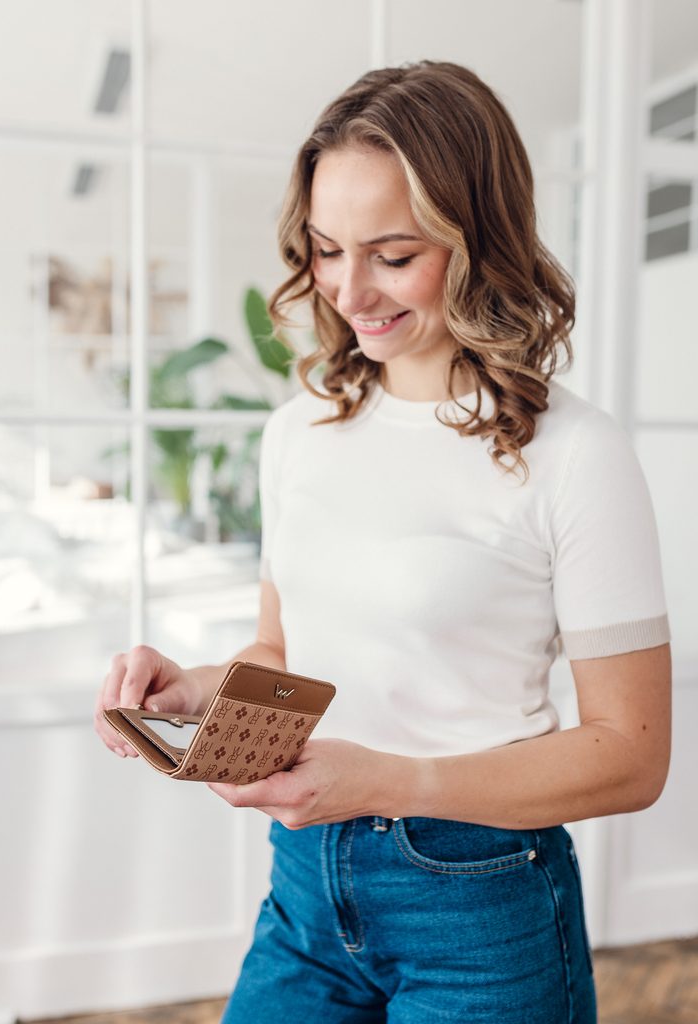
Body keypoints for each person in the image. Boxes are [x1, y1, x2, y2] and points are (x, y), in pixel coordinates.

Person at [95, 61, 671, 1023]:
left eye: (393, 255)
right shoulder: (299, 430)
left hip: (479, 907)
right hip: (306, 890)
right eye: (326, 249)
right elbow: (283, 652)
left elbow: (632, 754)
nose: (349, 290)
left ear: (477, 241)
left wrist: (394, 780)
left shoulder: (575, 453)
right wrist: (192, 690)